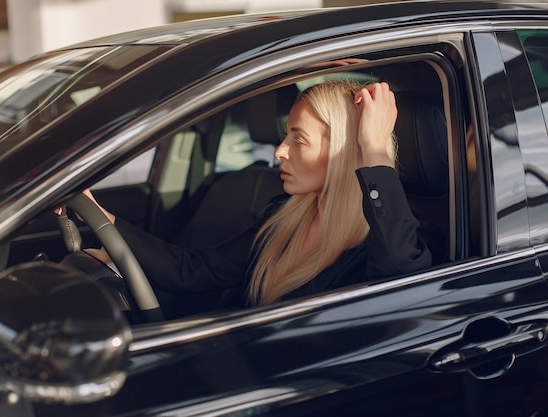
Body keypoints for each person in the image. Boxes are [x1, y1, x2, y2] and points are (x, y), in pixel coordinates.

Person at [77, 81, 440, 309]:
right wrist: (100, 217)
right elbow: (193, 272)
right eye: (286, 136)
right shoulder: (282, 216)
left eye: (298, 139)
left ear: (345, 152)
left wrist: (373, 149)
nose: (279, 151)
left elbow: (400, 283)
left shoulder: (399, 239)